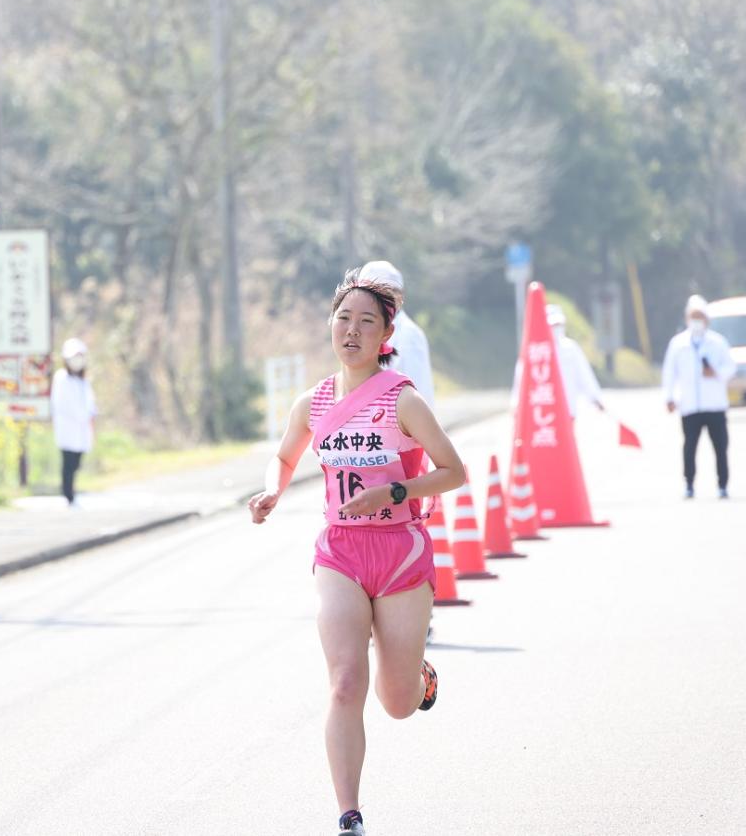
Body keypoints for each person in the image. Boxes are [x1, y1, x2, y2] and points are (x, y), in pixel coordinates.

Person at [247, 269, 466, 836]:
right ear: (331, 326)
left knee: (396, 701)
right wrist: (273, 487)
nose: (353, 330)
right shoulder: (312, 403)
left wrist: (395, 491)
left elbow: (453, 472)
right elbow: (285, 455)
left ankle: (417, 673)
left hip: (398, 552)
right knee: (345, 682)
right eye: (344, 318)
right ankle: (350, 815)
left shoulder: (403, 399)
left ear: (385, 334)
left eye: (367, 322)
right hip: (340, 552)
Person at [662, 294, 737, 499]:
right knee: (689, 446)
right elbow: (670, 373)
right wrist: (669, 397)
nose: (697, 320)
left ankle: (722, 485)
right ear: (687, 318)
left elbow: (730, 367)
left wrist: (717, 373)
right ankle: (689, 484)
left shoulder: (718, 342)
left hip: (714, 404)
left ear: (707, 319)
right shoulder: (678, 344)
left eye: (700, 316)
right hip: (690, 405)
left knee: (720, 447)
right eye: (693, 316)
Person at [357, 260, 436, 410]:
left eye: (379, 293)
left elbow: (418, 396)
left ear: (399, 295)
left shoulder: (409, 336)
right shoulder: (365, 331)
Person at [512, 304, 606, 418]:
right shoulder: (534, 349)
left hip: (568, 410)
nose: (556, 329)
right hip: (542, 411)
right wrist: (516, 403)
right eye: (553, 325)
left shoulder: (571, 348)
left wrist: (595, 398)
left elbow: (584, 374)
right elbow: (521, 378)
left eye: (558, 325)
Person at [50, 337, 97, 507]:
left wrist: (89, 418)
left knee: (76, 462)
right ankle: (67, 494)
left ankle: (71, 493)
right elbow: (62, 404)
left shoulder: (83, 381)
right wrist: (81, 416)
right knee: (68, 462)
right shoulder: (61, 378)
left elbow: (91, 404)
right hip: (68, 426)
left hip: (81, 428)